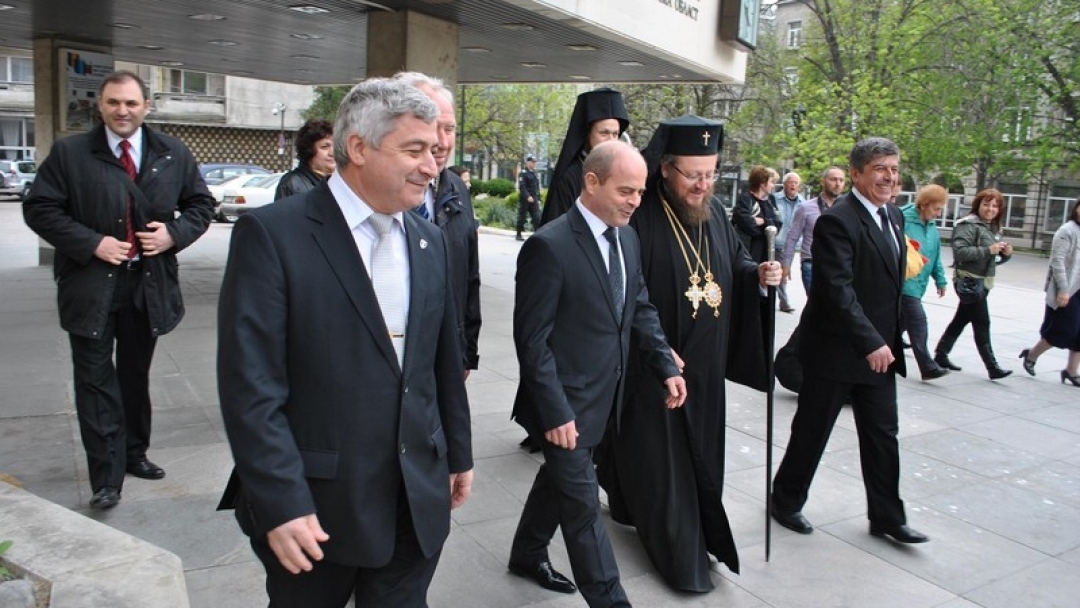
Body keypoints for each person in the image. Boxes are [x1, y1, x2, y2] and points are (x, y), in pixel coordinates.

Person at [216, 77, 474, 606]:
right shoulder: (273, 235)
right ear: (358, 147)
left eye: (434, 150)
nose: (432, 166)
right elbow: (251, 388)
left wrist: (457, 453)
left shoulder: (429, 240)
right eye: (414, 150)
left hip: (414, 500)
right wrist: (281, 501)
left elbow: (441, 364)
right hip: (317, 510)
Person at [596, 115, 782, 592]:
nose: (703, 185)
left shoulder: (714, 211)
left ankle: (696, 529)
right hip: (656, 367)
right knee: (662, 463)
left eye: (711, 173)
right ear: (665, 168)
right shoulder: (641, 216)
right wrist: (658, 351)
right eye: (693, 175)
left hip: (707, 365)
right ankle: (681, 556)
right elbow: (626, 293)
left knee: (700, 456)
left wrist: (758, 275)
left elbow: (735, 261)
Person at [23, 70, 214, 510]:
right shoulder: (71, 153)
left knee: (134, 373)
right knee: (94, 379)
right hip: (90, 285)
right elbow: (40, 208)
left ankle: (134, 453)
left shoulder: (172, 153)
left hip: (146, 285)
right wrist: (92, 243)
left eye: (130, 103)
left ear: (146, 106)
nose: (122, 111)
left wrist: (173, 235)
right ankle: (105, 477)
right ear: (100, 105)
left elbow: (201, 205)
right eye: (113, 102)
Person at [508, 140, 687, 607]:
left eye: (640, 192)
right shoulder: (549, 246)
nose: (636, 201)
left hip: (609, 397)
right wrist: (554, 412)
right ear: (591, 182)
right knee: (584, 509)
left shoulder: (627, 238)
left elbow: (639, 306)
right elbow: (532, 342)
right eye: (626, 190)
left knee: (560, 481)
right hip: (565, 406)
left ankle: (526, 553)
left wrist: (663, 363)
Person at [771, 137, 930, 545]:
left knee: (882, 436)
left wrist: (889, 339)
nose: (889, 177)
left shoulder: (893, 216)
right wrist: (870, 341)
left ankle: (887, 518)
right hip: (836, 352)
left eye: (893, 169)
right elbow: (837, 290)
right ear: (856, 174)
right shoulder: (838, 221)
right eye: (880, 169)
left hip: (880, 354)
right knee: (812, 431)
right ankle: (785, 501)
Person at [393, 72, 482, 376]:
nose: (443, 142)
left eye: (450, 128)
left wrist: (467, 352)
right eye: (434, 127)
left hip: (446, 357)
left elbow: (469, 277)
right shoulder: (384, 194)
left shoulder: (457, 189)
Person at [933, 188, 1014, 380]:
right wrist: (989, 249)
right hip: (969, 281)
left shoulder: (993, 227)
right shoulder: (967, 225)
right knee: (982, 322)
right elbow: (960, 253)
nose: (990, 209)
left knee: (961, 319)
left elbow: (993, 259)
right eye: (986, 204)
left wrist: (1005, 254)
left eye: (995, 206)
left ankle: (941, 354)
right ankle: (992, 367)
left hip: (983, 282)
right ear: (978, 205)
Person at [539, 87, 629, 226]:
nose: (611, 141)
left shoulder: (618, 173)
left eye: (615, 134)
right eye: (604, 133)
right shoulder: (570, 177)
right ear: (587, 134)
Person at [1018, 196, 1080, 386]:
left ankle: (1071, 370)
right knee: (1064, 330)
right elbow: (1058, 261)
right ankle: (1032, 355)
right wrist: (1063, 289)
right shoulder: (1066, 230)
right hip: (1069, 289)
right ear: (1076, 208)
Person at [900, 185, 950, 381]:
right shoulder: (904, 219)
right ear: (924, 205)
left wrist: (940, 280)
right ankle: (927, 366)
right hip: (905, 282)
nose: (939, 214)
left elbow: (935, 255)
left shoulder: (931, 226)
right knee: (918, 320)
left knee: (900, 323)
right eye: (936, 209)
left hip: (920, 283)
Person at [781, 166, 845, 293]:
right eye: (833, 179)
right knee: (816, 302)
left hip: (838, 264)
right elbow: (793, 237)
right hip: (811, 263)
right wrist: (786, 263)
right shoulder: (805, 207)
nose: (838, 184)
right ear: (823, 181)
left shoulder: (846, 209)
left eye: (841, 180)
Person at [732, 165, 782, 264]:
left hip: (766, 254)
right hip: (747, 254)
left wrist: (763, 221)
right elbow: (747, 225)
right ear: (762, 183)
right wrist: (767, 227)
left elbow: (777, 225)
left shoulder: (770, 201)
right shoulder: (746, 199)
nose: (773, 186)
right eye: (772, 182)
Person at [274, 118, 335, 200]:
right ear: (309, 150)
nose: (332, 152)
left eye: (335, 146)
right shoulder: (291, 183)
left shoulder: (337, 182)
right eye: (325, 147)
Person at [773, 172, 804, 312]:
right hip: (776, 242)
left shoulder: (802, 203)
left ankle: (782, 301)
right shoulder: (775, 199)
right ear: (784, 184)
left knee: (784, 273)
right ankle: (784, 302)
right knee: (779, 273)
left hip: (791, 245)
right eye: (790, 182)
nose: (793, 185)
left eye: (795, 183)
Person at [516, 154, 541, 240]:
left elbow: (537, 187)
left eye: (535, 162)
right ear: (528, 162)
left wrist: (538, 198)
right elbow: (522, 187)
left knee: (537, 217)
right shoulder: (523, 173)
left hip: (534, 199)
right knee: (522, 216)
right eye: (532, 162)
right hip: (525, 199)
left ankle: (537, 235)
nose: (534, 164)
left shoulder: (535, 173)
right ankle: (518, 234)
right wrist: (527, 196)